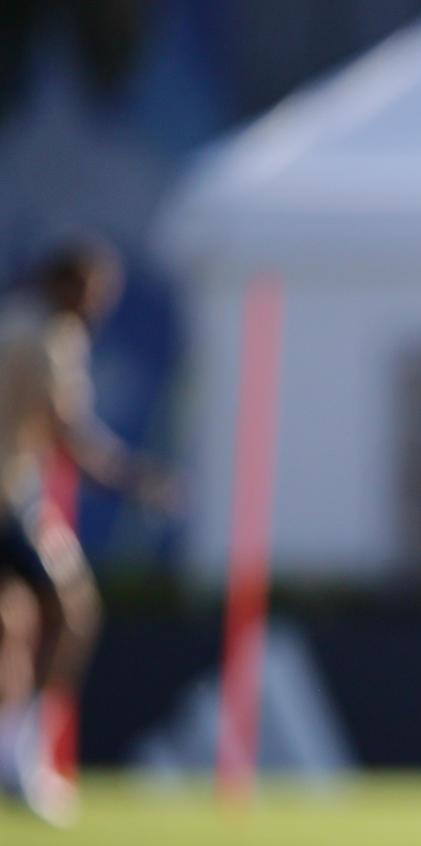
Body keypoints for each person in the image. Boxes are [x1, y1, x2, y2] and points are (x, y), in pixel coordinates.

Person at [0, 235, 169, 824]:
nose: (99, 304)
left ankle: (15, 750)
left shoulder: (17, 321)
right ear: (67, 284)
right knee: (71, 609)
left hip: (15, 490)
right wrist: (137, 481)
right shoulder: (47, 337)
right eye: (94, 291)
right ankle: (21, 756)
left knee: (14, 624)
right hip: (6, 497)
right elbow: (69, 436)